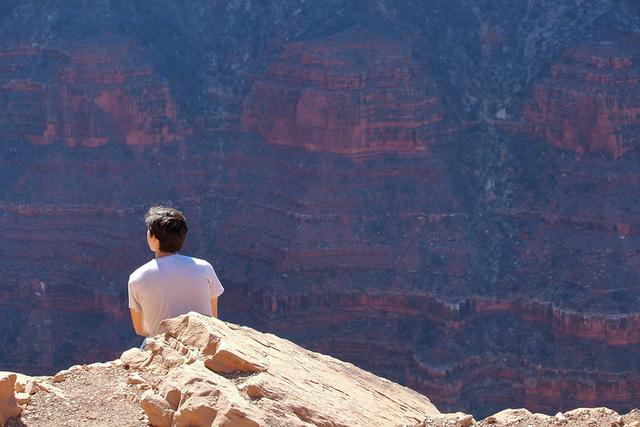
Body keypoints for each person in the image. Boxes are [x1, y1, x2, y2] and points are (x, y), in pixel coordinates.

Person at [128, 206, 224, 342]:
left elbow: (140, 329)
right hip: (202, 343)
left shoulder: (137, 277)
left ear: (154, 238)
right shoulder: (205, 267)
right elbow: (213, 317)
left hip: (164, 345)